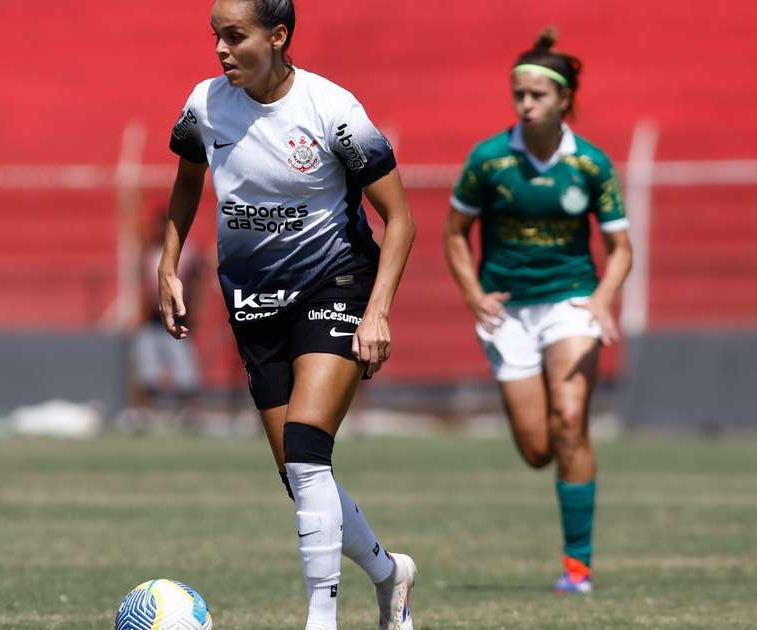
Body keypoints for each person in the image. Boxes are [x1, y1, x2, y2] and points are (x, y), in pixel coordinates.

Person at [161, 1, 417, 628]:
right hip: (253, 302)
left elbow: (402, 218)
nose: (221, 50)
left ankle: (320, 619)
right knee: (302, 480)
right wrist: (169, 266)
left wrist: (377, 312)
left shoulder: (332, 111)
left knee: (307, 451)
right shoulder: (204, 104)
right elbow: (188, 179)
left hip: (337, 283)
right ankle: (391, 575)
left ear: (278, 36)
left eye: (235, 36)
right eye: (216, 37)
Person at [443, 29, 633, 594]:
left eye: (537, 96)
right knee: (538, 449)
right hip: (508, 314)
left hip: (571, 302)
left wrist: (601, 299)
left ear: (563, 100)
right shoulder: (490, 160)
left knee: (571, 423)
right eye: (519, 95)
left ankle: (578, 568)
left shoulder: (591, 164)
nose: (525, 105)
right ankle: (557, 461)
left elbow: (621, 248)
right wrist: (474, 293)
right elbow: (455, 234)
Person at [128, 210, 203, 429]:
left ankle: (189, 411)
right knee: (146, 369)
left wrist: (195, 314)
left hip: (180, 318)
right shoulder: (148, 252)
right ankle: (145, 412)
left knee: (184, 370)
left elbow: (196, 285)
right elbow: (142, 286)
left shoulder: (187, 252)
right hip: (152, 318)